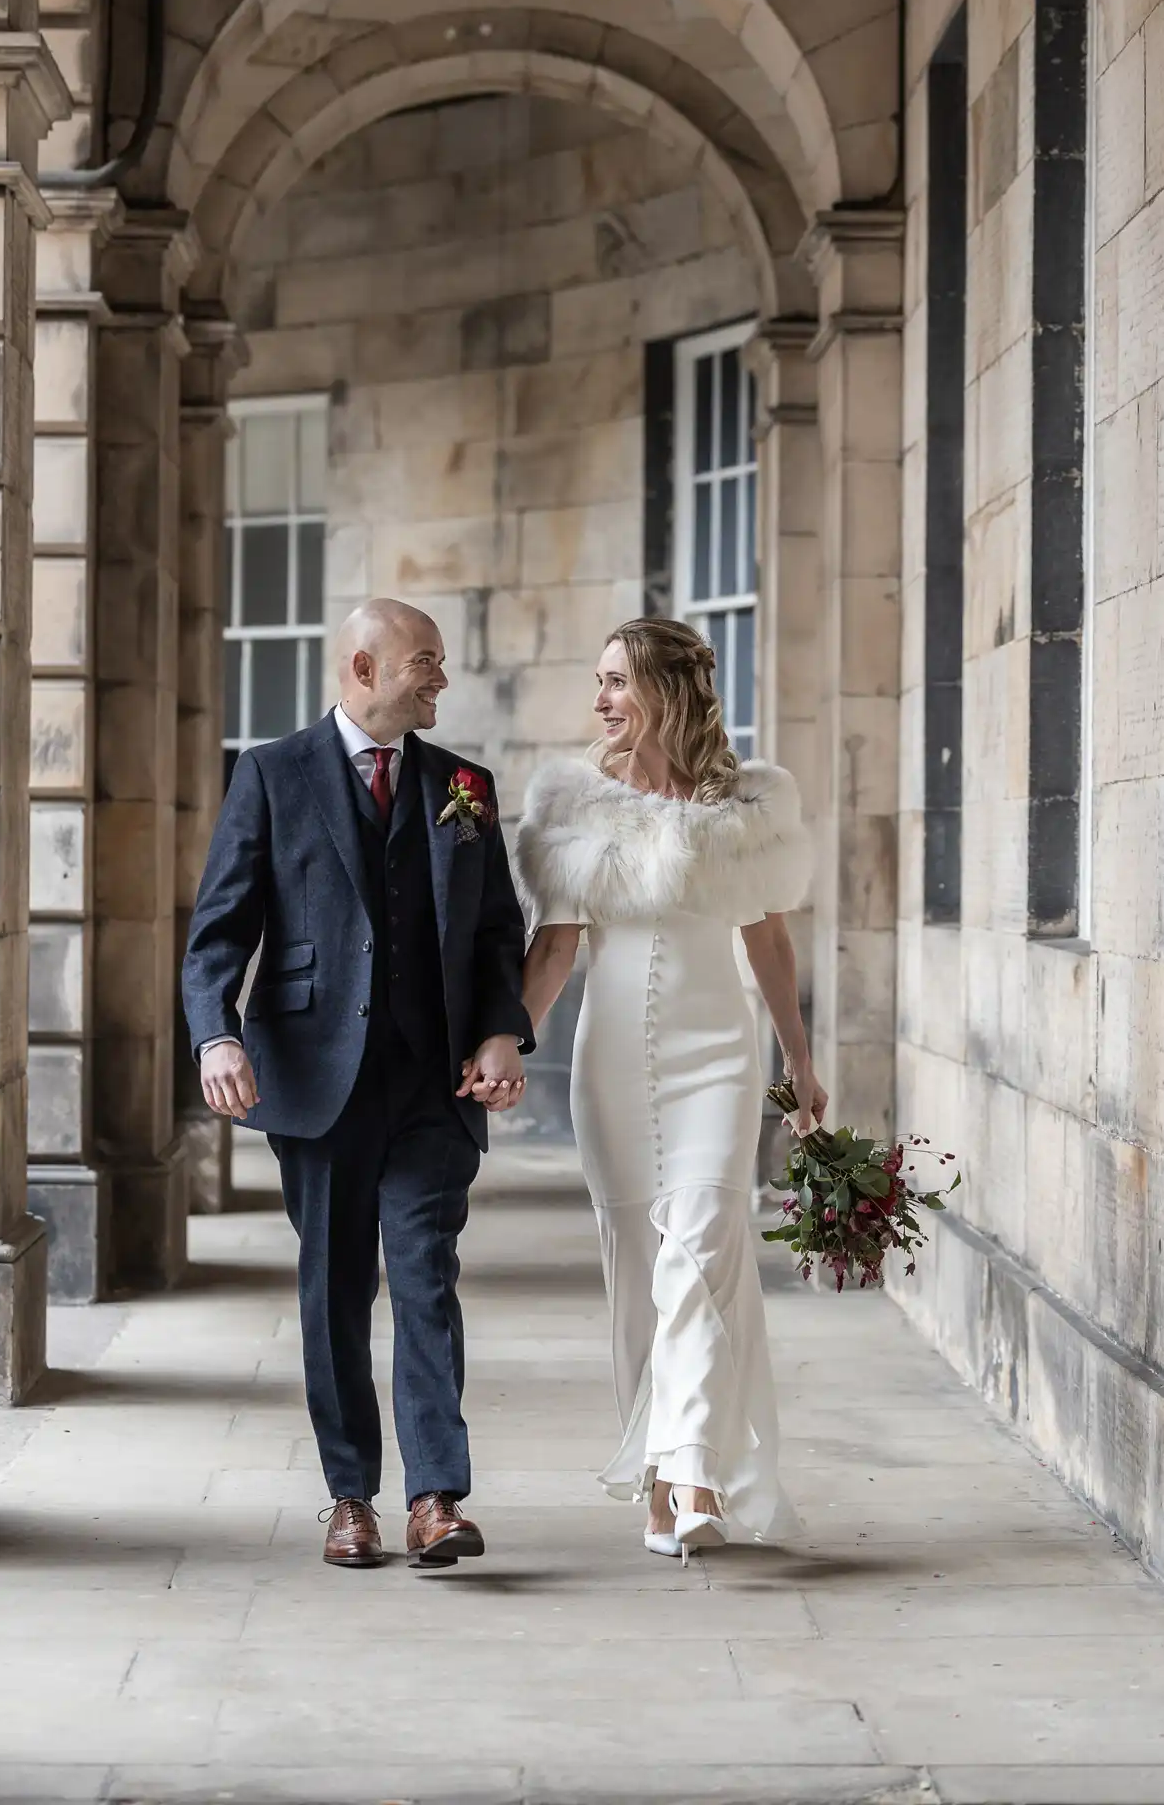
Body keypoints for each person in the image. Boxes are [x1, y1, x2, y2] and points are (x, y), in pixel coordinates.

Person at [181, 598, 533, 1572]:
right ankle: (350, 1496)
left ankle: (433, 1497)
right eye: (424, 661)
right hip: (313, 1078)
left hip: (432, 1085)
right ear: (363, 668)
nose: (440, 678)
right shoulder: (271, 771)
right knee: (334, 1291)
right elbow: (219, 926)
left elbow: (499, 931)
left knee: (426, 1280)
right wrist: (214, 1033)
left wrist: (503, 1029)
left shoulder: (465, 785)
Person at [515, 617, 825, 1559]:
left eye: (616, 680)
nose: (600, 698)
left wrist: (800, 1067)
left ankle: (693, 1472)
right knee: (638, 1279)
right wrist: (503, 1044)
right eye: (597, 680)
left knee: (697, 1251)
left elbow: (767, 941)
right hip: (610, 1066)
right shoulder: (574, 804)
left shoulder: (750, 804)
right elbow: (556, 948)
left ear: (664, 689)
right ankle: (660, 1487)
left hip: (719, 1062)